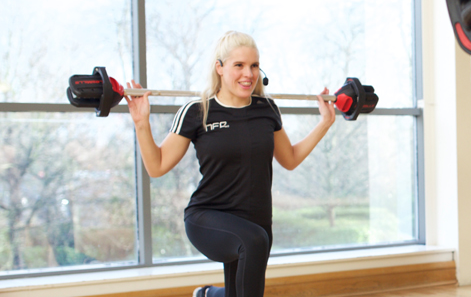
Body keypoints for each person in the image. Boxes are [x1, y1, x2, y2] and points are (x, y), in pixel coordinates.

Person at [125, 31, 336, 297]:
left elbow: (289, 159)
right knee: (252, 243)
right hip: (209, 217)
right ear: (220, 67)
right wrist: (141, 123)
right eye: (239, 65)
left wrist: (325, 123)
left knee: (240, 285)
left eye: (254, 66)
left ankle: (207, 295)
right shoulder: (197, 111)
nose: (248, 74)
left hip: (257, 222)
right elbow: (157, 166)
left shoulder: (266, 109)